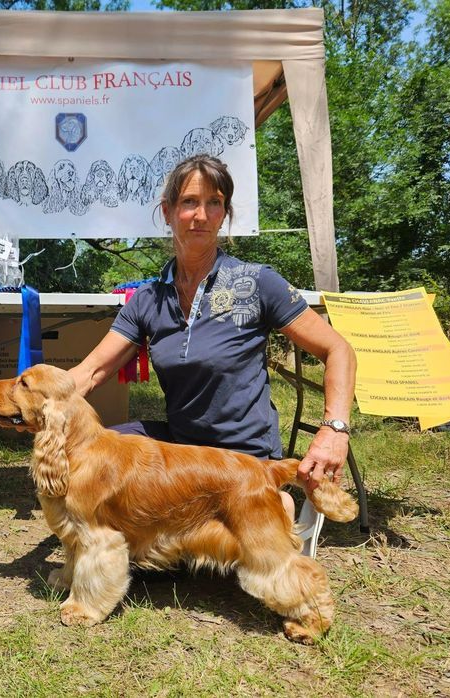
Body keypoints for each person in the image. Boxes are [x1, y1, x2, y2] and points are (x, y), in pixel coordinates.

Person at [68, 155, 357, 524]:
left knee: (232, 561)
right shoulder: (148, 299)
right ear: (168, 211)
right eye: (189, 202)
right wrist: (33, 401)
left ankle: (266, 507)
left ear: (224, 213)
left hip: (243, 458)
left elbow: (338, 349)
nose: (201, 215)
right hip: (183, 454)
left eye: (214, 203)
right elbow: (90, 372)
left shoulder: (257, 283)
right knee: (98, 453)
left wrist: (334, 430)